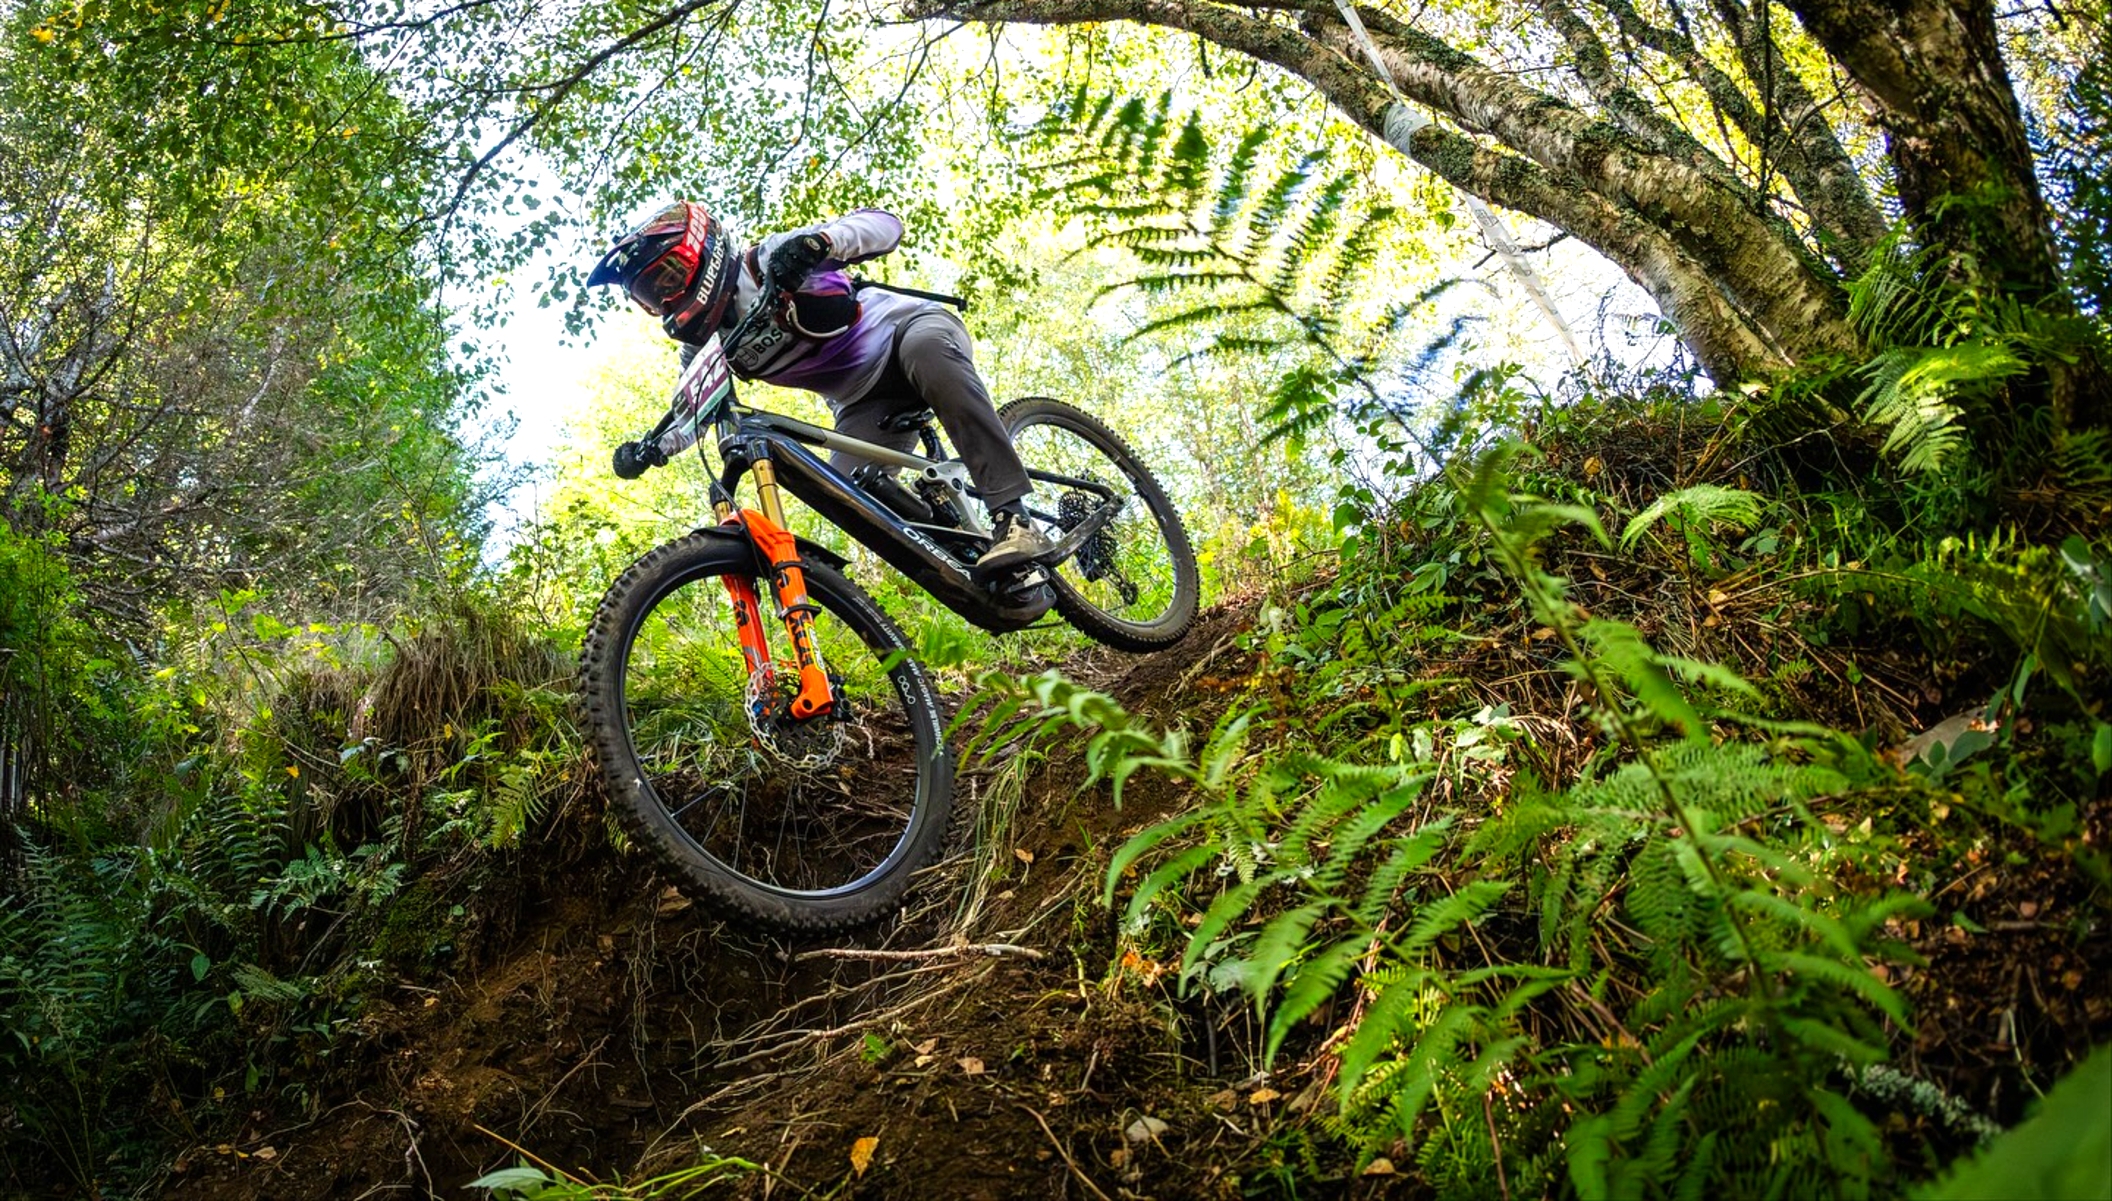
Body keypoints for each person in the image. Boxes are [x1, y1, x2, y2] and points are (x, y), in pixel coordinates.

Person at [585, 201, 1051, 581]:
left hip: (908, 332)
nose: (665, 297)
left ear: (698, 249)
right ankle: (962, 548)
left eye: (666, 276)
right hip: (866, 402)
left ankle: (1014, 517)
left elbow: (886, 226)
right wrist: (652, 448)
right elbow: (692, 410)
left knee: (927, 350)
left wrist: (819, 243)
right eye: (649, 294)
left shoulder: (765, 260)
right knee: (841, 492)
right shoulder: (708, 346)